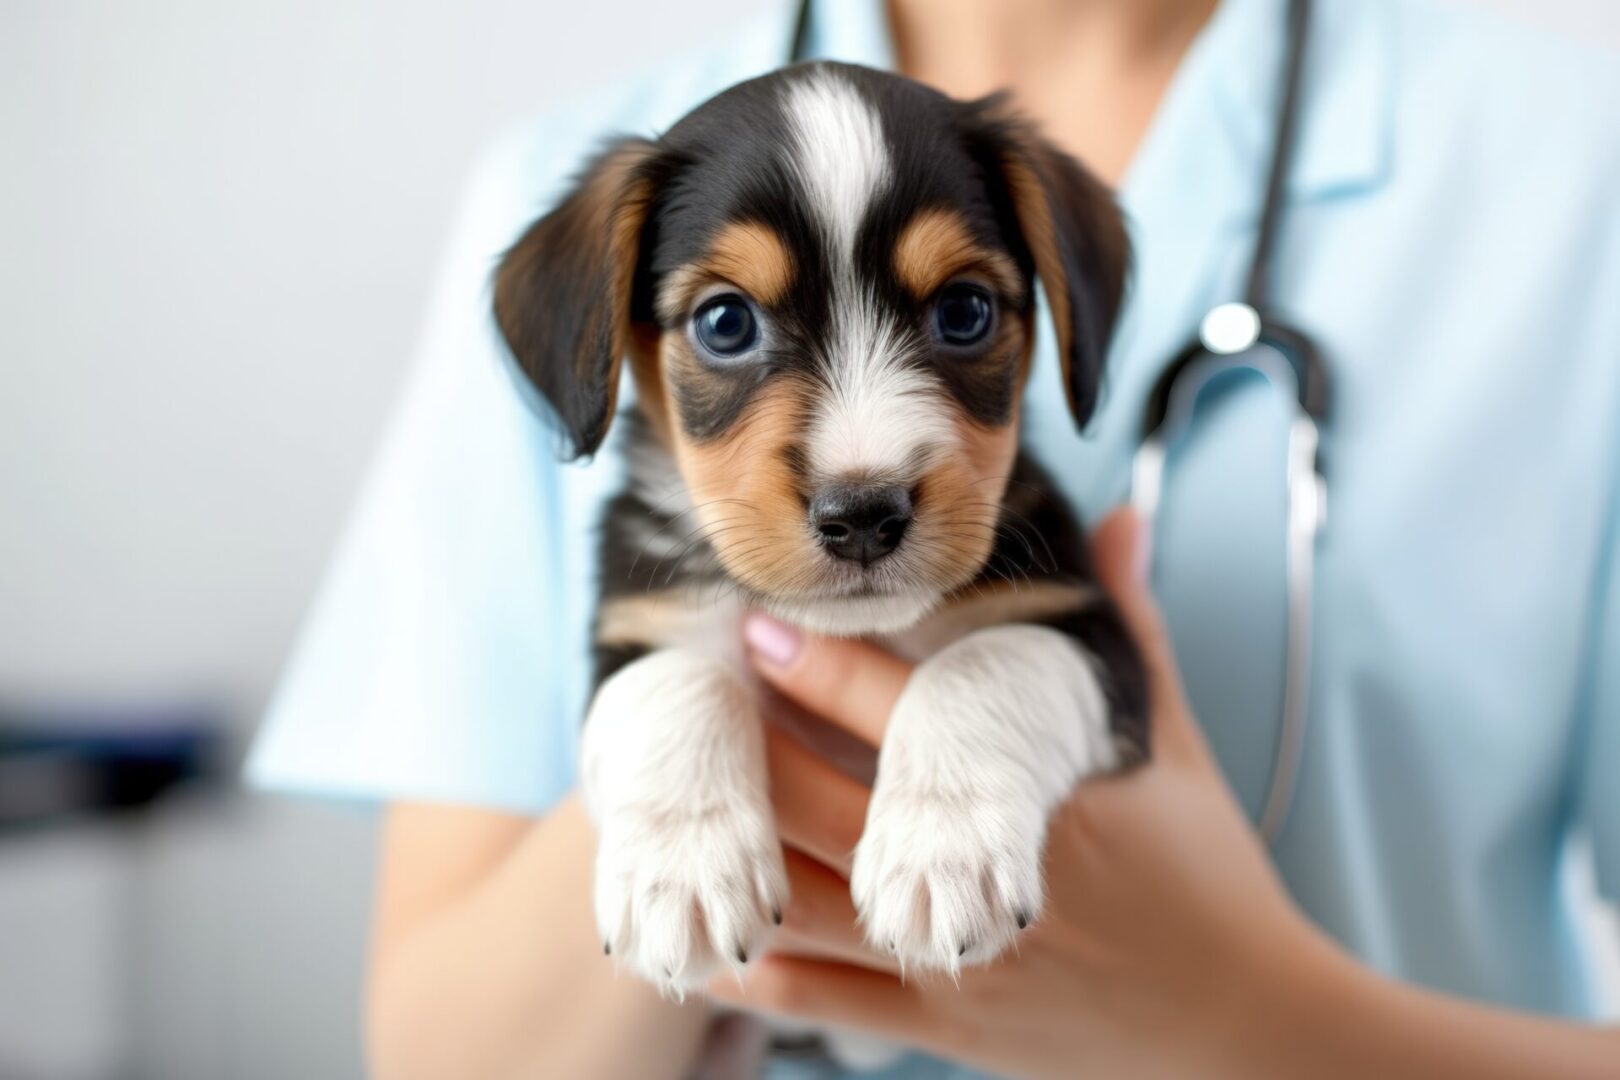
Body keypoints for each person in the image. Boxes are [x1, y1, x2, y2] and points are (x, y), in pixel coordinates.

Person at [248, 0, 1620, 1075]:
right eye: (728, 325)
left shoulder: (1566, 173)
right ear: (614, 355)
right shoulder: (561, 182)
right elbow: (443, 1051)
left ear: (1059, 313)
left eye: (962, 315)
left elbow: (1070, 664)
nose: (862, 463)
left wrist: (1232, 1018)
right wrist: (681, 730)